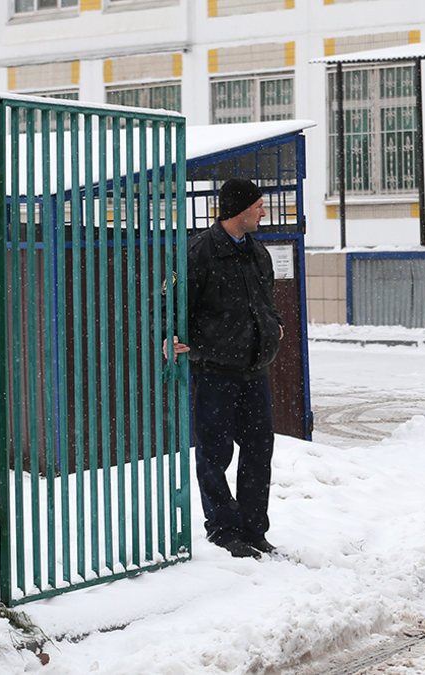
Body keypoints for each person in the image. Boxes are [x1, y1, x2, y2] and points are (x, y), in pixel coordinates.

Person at [167, 178, 283, 559]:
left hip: (255, 371)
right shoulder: (200, 252)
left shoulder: (258, 253)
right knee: (215, 454)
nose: (263, 212)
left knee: (258, 451)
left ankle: (253, 530)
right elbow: (169, 302)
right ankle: (223, 530)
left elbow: (265, 301)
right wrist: (167, 336)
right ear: (238, 209)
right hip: (216, 370)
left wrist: (274, 323)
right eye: (258, 206)